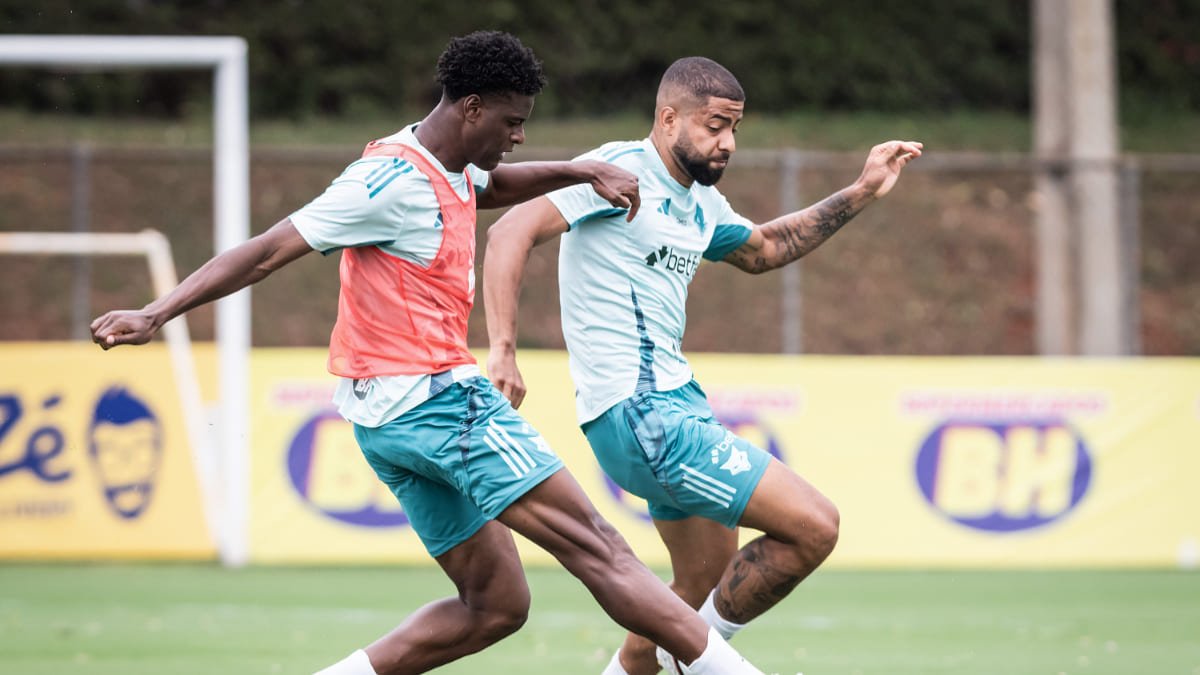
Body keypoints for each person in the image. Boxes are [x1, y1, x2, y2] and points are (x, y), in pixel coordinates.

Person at [91, 34, 764, 675]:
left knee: (496, 604)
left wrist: (579, 169)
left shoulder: (447, 166)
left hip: (383, 422)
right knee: (599, 546)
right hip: (441, 404)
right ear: (471, 108)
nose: (518, 135)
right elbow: (267, 249)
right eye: (511, 121)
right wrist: (156, 311)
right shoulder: (384, 182)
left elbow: (490, 188)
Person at [483, 56, 922, 675]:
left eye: (735, 129)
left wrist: (862, 190)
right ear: (669, 118)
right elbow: (509, 233)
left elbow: (765, 248)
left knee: (699, 583)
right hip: (640, 414)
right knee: (814, 526)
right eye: (715, 126)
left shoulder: (698, 202)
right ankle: (704, 661)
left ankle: (680, 653)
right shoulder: (617, 171)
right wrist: (503, 348)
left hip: (675, 405)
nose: (728, 143)